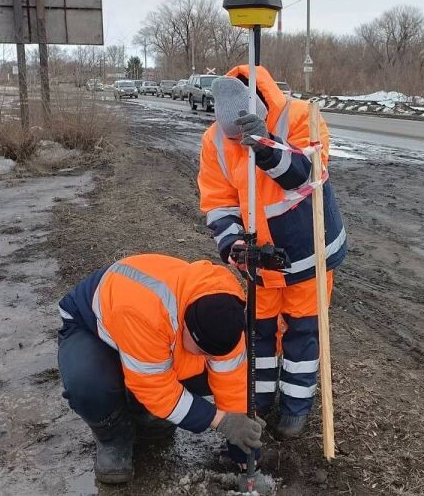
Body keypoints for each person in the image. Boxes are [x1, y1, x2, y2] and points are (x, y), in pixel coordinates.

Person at [198, 66, 347, 438]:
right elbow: (219, 201)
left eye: (238, 137)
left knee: (302, 332)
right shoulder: (214, 140)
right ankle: (259, 403)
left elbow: (307, 175)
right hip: (259, 260)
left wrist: (265, 147)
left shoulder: (301, 116)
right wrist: (233, 245)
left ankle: (296, 409)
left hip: (307, 252)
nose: (232, 142)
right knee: (259, 333)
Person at [57, 254, 265, 484]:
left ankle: (145, 414)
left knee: (201, 374)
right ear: (185, 323)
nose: (208, 357)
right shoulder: (144, 311)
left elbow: (233, 385)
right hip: (93, 328)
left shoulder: (225, 313)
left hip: (152, 340)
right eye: (202, 349)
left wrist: (243, 449)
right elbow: (155, 388)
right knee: (88, 383)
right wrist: (221, 422)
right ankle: (113, 435)